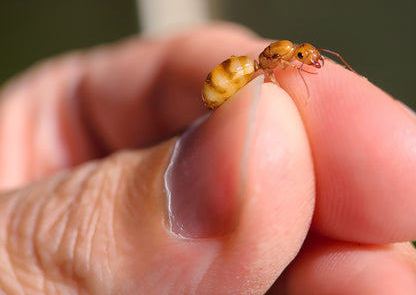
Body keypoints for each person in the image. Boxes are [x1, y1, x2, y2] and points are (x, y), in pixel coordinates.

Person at [0, 24, 415, 294]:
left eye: (308, 59)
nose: (310, 63)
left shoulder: (284, 61)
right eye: (307, 58)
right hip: (234, 79)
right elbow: (273, 65)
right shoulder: (277, 63)